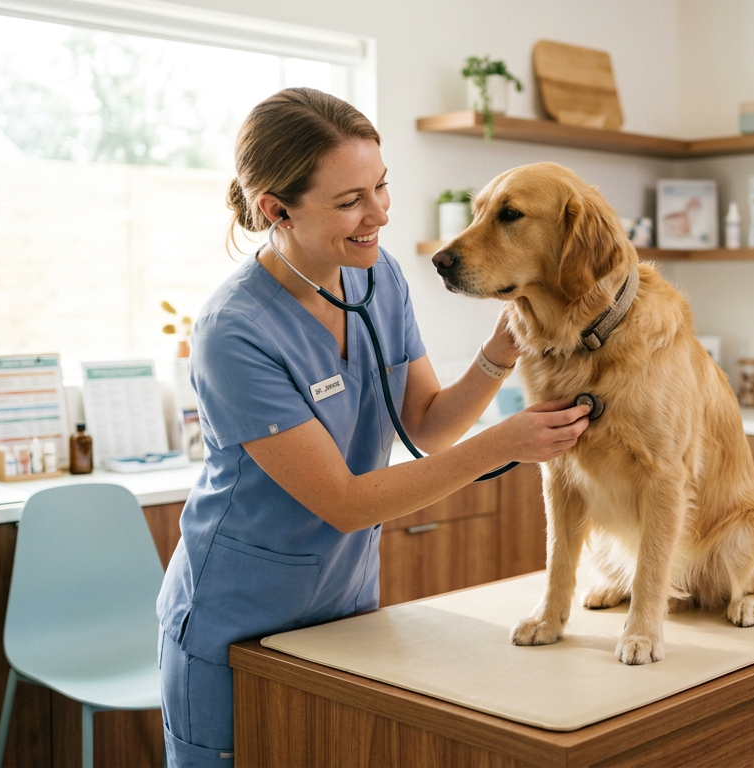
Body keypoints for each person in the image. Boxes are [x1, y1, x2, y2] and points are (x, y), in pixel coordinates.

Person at [155, 87, 591, 767]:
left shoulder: (378, 275)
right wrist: (505, 445)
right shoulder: (233, 331)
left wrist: (504, 344)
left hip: (345, 607)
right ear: (277, 209)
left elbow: (429, 424)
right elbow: (344, 501)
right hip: (236, 620)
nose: (379, 214)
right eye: (350, 200)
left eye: (382, 187)